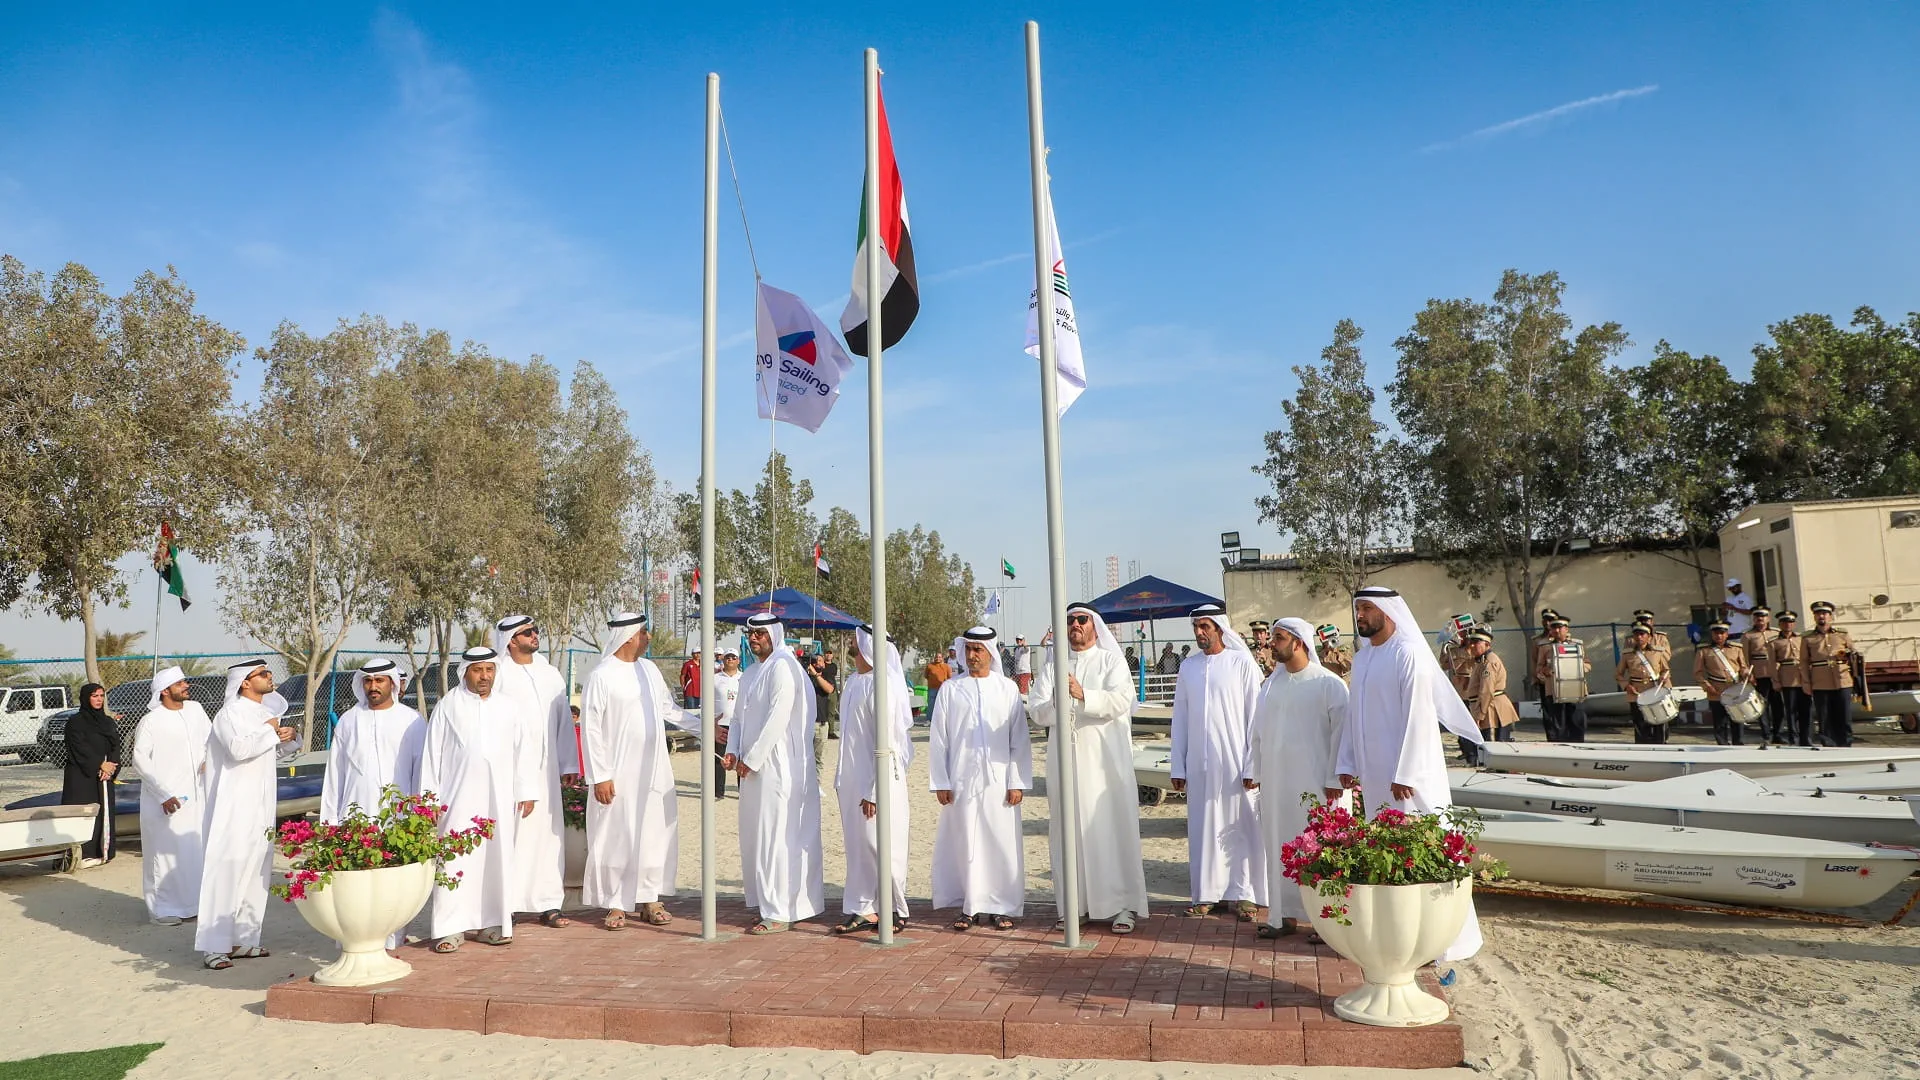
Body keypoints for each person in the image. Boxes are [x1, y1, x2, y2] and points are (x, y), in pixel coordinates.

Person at [1336, 586, 1484, 962]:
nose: (1361, 615)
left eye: (1368, 608)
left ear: (1388, 612)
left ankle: (1445, 940)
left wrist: (1407, 772)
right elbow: (1355, 716)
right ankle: (1401, 935)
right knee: (1389, 852)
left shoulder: (1408, 653)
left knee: (1426, 848)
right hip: (1375, 778)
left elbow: (1419, 718)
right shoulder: (1365, 657)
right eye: (1359, 609)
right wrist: (1348, 764)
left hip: (1409, 779)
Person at [1030, 603, 1149, 934]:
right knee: (1069, 833)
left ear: (1095, 626)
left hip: (1105, 767)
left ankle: (1122, 906)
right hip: (1065, 766)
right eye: (1070, 621)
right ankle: (1075, 905)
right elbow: (1037, 711)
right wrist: (1060, 702)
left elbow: (1121, 701)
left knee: (1111, 831)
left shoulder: (1111, 660)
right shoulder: (1054, 667)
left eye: (1082, 619)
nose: (1075, 625)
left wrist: (1084, 696)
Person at [1244, 617, 1348, 939]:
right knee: (1280, 848)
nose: (1271, 643)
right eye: (1272, 637)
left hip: (1317, 786)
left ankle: (1324, 922)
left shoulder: (1329, 684)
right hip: (1277, 787)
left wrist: (1335, 778)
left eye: (1278, 638)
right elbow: (1257, 735)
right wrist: (1256, 771)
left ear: (1299, 643)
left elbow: (1342, 738)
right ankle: (1283, 916)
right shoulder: (1271, 686)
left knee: (1320, 849)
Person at [580, 613, 681, 931]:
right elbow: (590, 729)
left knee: (652, 833)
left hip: (653, 771)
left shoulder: (649, 670)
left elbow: (668, 709)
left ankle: (650, 899)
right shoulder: (601, 676)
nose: (648, 637)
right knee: (616, 835)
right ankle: (616, 903)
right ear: (628, 637)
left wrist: (706, 726)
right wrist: (599, 775)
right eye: (644, 632)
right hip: (616, 773)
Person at [725, 612, 824, 934]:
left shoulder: (783, 666)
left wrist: (751, 759)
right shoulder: (752, 672)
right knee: (756, 836)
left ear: (775, 636)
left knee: (778, 836)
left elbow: (778, 718)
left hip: (780, 766)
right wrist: (733, 750)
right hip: (752, 769)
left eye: (761, 634)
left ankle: (780, 909)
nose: (754, 639)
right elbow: (738, 718)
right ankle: (768, 903)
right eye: (751, 634)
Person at [196, 659, 297, 970]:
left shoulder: (265, 714)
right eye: (263, 674)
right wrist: (269, 732)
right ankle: (214, 947)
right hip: (233, 807)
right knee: (226, 870)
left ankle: (244, 940)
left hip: (261, 805)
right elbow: (238, 749)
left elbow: (274, 751)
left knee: (257, 869)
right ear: (244, 682)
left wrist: (289, 738)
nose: (270, 678)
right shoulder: (229, 714)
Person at [928, 627, 1030, 932]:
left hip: (999, 782)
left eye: (978, 650)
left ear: (990, 653)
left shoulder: (1007, 689)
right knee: (967, 843)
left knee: (999, 843)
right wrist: (941, 781)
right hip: (961, 781)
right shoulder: (950, 689)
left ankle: (1001, 907)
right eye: (968, 649)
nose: (972, 656)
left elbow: (1019, 740)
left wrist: (1016, 781)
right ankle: (970, 906)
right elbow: (939, 739)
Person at [422, 647, 523, 953]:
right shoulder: (448, 706)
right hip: (456, 800)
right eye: (478, 670)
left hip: (500, 798)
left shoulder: (508, 706)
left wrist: (525, 791)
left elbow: (522, 752)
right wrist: (429, 801)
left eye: (490, 670)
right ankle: (449, 928)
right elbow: (432, 755)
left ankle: (492, 924)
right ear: (465, 671)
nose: (484, 676)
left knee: (497, 859)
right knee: (454, 860)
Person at [1169, 602, 1265, 921]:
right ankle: (1207, 895)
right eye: (1195, 628)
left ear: (1219, 629)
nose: (1199, 633)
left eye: (1204, 627)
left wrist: (1255, 765)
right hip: (1200, 764)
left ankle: (1245, 895)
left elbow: (1256, 717)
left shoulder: (1241, 662)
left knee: (1242, 827)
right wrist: (1178, 766)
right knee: (1203, 828)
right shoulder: (1189, 667)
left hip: (1238, 764)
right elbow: (1179, 719)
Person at [490, 615, 576, 930]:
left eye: (536, 630)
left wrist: (569, 763)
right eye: (528, 632)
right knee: (513, 835)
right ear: (511, 639)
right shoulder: (497, 673)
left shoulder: (550, 673)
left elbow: (563, 719)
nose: (535, 635)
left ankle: (548, 903)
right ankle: (508, 904)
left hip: (548, 767)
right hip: (510, 768)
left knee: (548, 837)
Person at [832, 624, 913, 935]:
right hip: (852, 780)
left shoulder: (885, 684)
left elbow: (889, 743)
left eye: (856, 639)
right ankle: (864, 909)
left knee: (879, 843)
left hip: (879, 781)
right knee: (858, 847)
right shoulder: (854, 681)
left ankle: (894, 908)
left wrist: (874, 790)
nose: (851, 643)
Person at [131, 668, 211, 924]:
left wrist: (209, 760)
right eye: (180, 683)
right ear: (164, 691)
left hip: (196, 796)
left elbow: (212, 741)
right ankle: (161, 910)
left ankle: (192, 905)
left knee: (192, 852)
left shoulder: (196, 710)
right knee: (162, 855)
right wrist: (163, 794)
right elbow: (140, 761)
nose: (186, 685)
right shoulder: (151, 721)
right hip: (163, 801)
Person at [319, 658, 426, 824]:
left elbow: (420, 770)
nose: (373, 686)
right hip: (355, 815)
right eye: (368, 681)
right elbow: (335, 772)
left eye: (379, 680)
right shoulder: (348, 720)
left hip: (400, 815)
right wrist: (329, 819)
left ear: (392, 683)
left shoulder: (412, 720)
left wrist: (418, 814)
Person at [61, 681, 120, 867]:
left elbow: (115, 746)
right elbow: (78, 748)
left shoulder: (107, 721)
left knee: (104, 812)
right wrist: (99, 764)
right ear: (86, 698)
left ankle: (103, 851)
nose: (99, 700)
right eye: (95, 696)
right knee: (82, 813)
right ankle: (82, 853)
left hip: (104, 776)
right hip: (82, 776)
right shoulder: (75, 723)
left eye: (101, 696)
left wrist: (110, 768)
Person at [1459, 628, 1519, 765]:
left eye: (1476, 642)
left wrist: (1480, 715)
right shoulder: (1481, 661)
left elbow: (1486, 691)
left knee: (1492, 748)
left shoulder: (1489, 663)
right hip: (1486, 706)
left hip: (1491, 709)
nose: (1472, 645)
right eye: (1471, 642)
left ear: (1487, 644)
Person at [1803, 601, 1856, 747]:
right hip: (1820, 681)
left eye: (1825, 614)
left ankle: (1846, 743)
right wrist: (1806, 683)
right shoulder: (1807, 637)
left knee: (1844, 716)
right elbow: (1803, 662)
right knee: (1825, 717)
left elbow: (1854, 653)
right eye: (1818, 614)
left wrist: (1847, 653)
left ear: (1831, 617)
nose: (1822, 617)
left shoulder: (1842, 634)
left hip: (1842, 679)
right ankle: (1828, 744)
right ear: (1814, 617)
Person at [1532, 616, 1587, 743]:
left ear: (1566, 629)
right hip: (1554, 690)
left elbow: (1587, 663)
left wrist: (1579, 667)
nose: (1557, 631)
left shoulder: (1577, 644)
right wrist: (1545, 672)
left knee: (1576, 721)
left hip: (1574, 689)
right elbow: (1539, 668)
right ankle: (1559, 749)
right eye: (1554, 627)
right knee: (1557, 723)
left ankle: (1578, 749)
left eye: (1560, 627)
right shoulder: (1545, 646)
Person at [1693, 621, 1750, 745]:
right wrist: (1707, 686)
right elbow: (1698, 672)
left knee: (1737, 718)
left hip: (1735, 687)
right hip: (1716, 689)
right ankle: (1722, 743)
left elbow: (1743, 666)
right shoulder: (1704, 650)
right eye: (1716, 633)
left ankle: (1738, 744)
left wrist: (1746, 674)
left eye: (1722, 633)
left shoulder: (1736, 649)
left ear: (1726, 634)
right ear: (1712, 634)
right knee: (1720, 721)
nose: (1719, 636)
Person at [1616, 625, 1673, 744]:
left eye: (1642, 634)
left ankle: (1660, 748)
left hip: (1654, 690)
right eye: (1636, 634)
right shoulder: (1627, 654)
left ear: (1649, 637)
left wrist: (1664, 678)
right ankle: (1642, 749)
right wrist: (1627, 686)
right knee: (1640, 725)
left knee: (1659, 723)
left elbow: (1666, 670)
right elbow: (1618, 674)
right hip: (1636, 692)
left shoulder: (1658, 652)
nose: (1639, 637)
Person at [1769, 611, 1812, 746]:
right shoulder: (1774, 642)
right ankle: (1793, 738)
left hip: (1803, 676)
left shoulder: (1802, 638)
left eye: (1790, 622)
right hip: (1787, 677)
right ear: (1780, 624)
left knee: (1806, 709)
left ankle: (1807, 738)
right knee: (1791, 710)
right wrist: (1775, 681)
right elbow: (1771, 663)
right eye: (1785, 622)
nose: (1788, 625)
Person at [1741, 608, 1781, 745]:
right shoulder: (1748, 635)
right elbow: (1745, 658)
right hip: (1759, 673)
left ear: (1768, 618)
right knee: (1762, 705)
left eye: (1763, 616)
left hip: (1776, 673)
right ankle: (1766, 734)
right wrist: (1749, 674)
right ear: (1754, 619)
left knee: (1778, 705)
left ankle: (1778, 733)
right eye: (1757, 616)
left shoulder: (1776, 633)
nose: (1760, 619)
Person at [710, 649, 743, 798]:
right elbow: (707, 701)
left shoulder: (744, 678)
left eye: (733, 657)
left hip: (740, 723)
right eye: (728, 657)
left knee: (741, 757)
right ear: (723, 660)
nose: (730, 659)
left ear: (738, 661)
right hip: (721, 724)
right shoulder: (714, 679)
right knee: (719, 758)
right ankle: (718, 791)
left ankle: (743, 791)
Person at [806, 647, 839, 768]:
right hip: (806, 724)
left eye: (820, 660)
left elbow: (829, 689)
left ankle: (817, 786)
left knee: (818, 760)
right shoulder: (805, 677)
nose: (817, 663)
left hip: (820, 724)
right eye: (815, 661)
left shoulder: (826, 676)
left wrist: (816, 675)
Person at [923, 650, 953, 718]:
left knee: (942, 705)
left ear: (942, 658)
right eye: (936, 657)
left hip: (943, 689)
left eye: (939, 657)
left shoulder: (946, 666)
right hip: (932, 689)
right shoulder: (930, 666)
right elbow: (926, 676)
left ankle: (941, 720)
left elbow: (949, 677)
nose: (937, 658)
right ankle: (929, 720)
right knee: (931, 704)